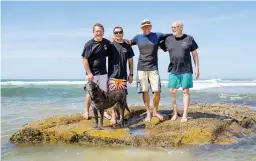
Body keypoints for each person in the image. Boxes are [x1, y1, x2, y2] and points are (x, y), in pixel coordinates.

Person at [130, 19, 167, 122]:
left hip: (153, 68)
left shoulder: (157, 35)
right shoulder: (138, 37)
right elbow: (127, 43)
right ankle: (148, 113)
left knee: (157, 90)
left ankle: (155, 111)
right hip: (141, 68)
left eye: (147, 26)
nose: (146, 28)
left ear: (151, 26)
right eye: (144, 27)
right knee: (145, 91)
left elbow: (170, 37)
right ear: (141, 28)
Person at [164, 21, 200, 122]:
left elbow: (194, 54)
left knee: (185, 91)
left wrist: (197, 68)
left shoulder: (189, 39)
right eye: (172, 27)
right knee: (173, 91)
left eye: (175, 27)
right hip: (173, 69)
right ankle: (175, 113)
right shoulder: (168, 39)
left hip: (186, 69)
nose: (173, 28)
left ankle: (184, 115)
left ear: (181, 28)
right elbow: (156, 46)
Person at [81, 23, 112, 120]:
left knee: (104, 93)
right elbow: (84, 59)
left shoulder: (107, 42)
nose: (99, 33)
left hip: (103, 73)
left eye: (100, 31)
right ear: (93, 32)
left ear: (103, 32)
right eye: (97, 31)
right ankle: (86, 111)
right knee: (90, 94)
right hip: (92, 74)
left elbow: (115, 45)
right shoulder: (89, 44)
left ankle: (104, 112)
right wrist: (89, 73)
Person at [107, 26, 134, 124]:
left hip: (123, 77)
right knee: (112, 98)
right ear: (114, 34)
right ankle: (114, 116)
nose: (118, 34)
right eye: (116, 32)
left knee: (122, 98)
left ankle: (122, 117)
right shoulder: (110, 45)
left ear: (123, 33)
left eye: (120, 32)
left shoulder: (127, 46)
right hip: (112, 76)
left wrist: (131, 74)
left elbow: (130, 62)